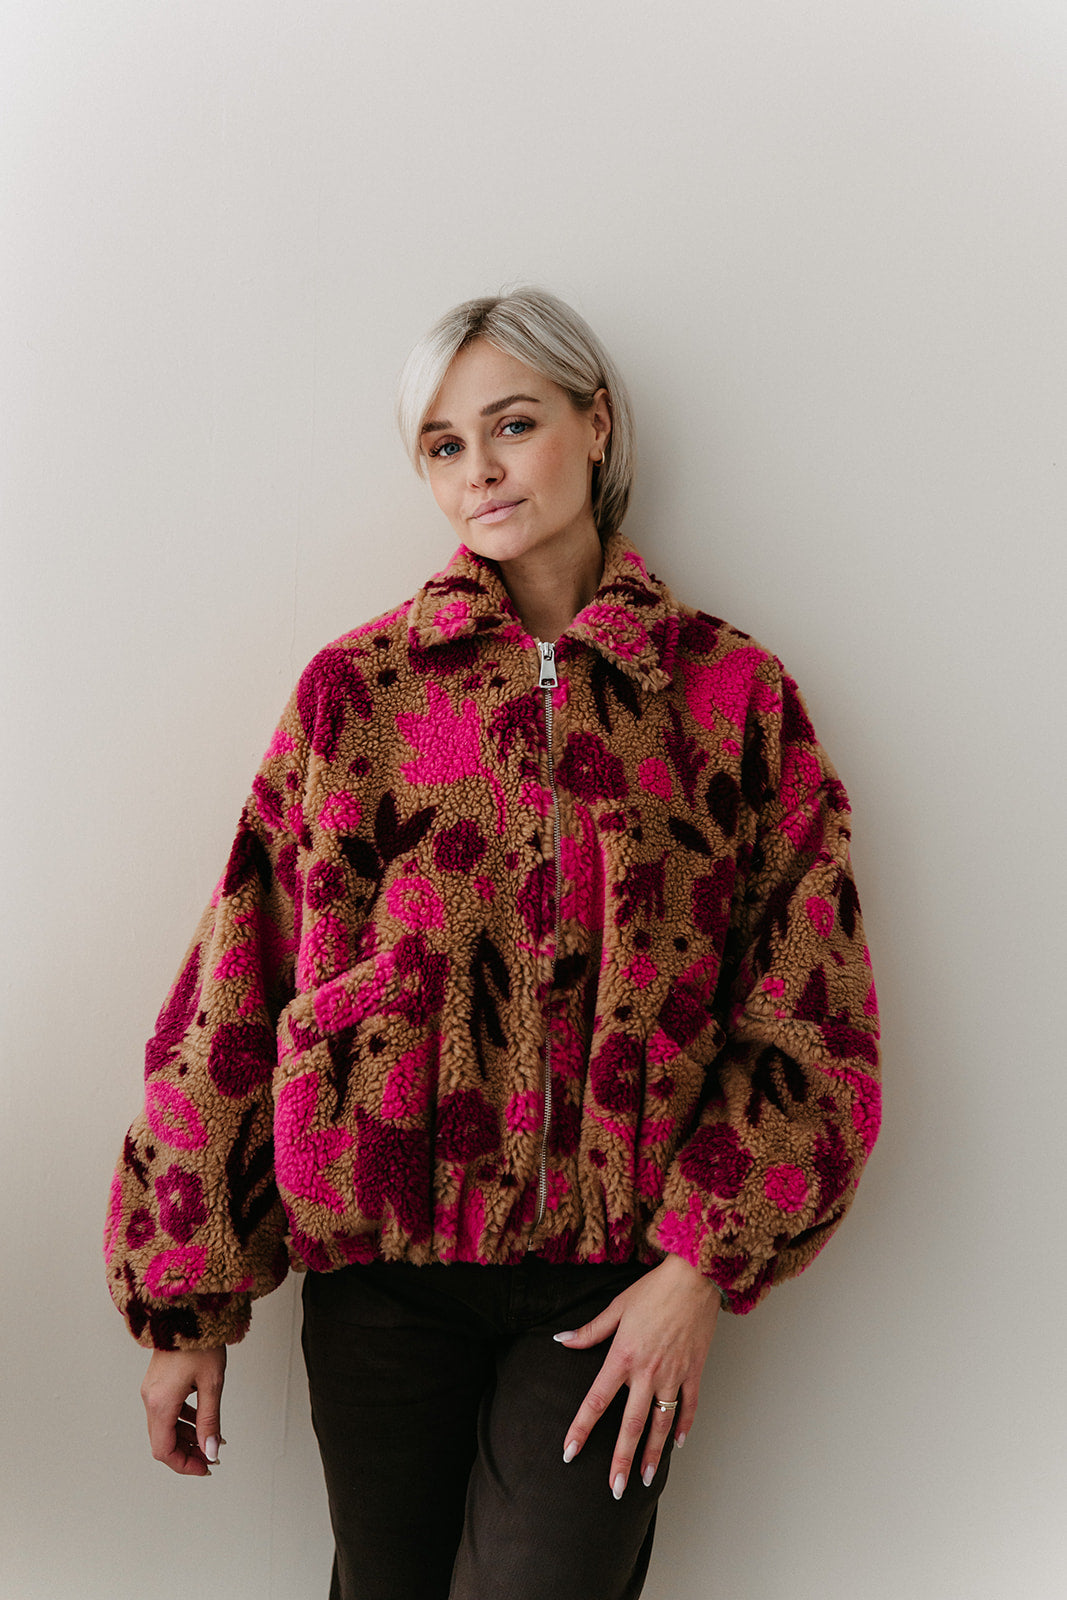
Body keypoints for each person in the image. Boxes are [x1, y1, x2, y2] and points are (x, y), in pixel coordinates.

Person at [105, 288, 881, 1600]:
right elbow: (239, 980)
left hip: (610, 1287)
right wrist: (187, 1303)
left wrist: (700, 1265)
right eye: (444, 444)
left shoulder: (728, 698)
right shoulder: (358, 694)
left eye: (513, 425)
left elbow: (815, 1009)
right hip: (385, 1287)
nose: (481, 469)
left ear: (596, 424)